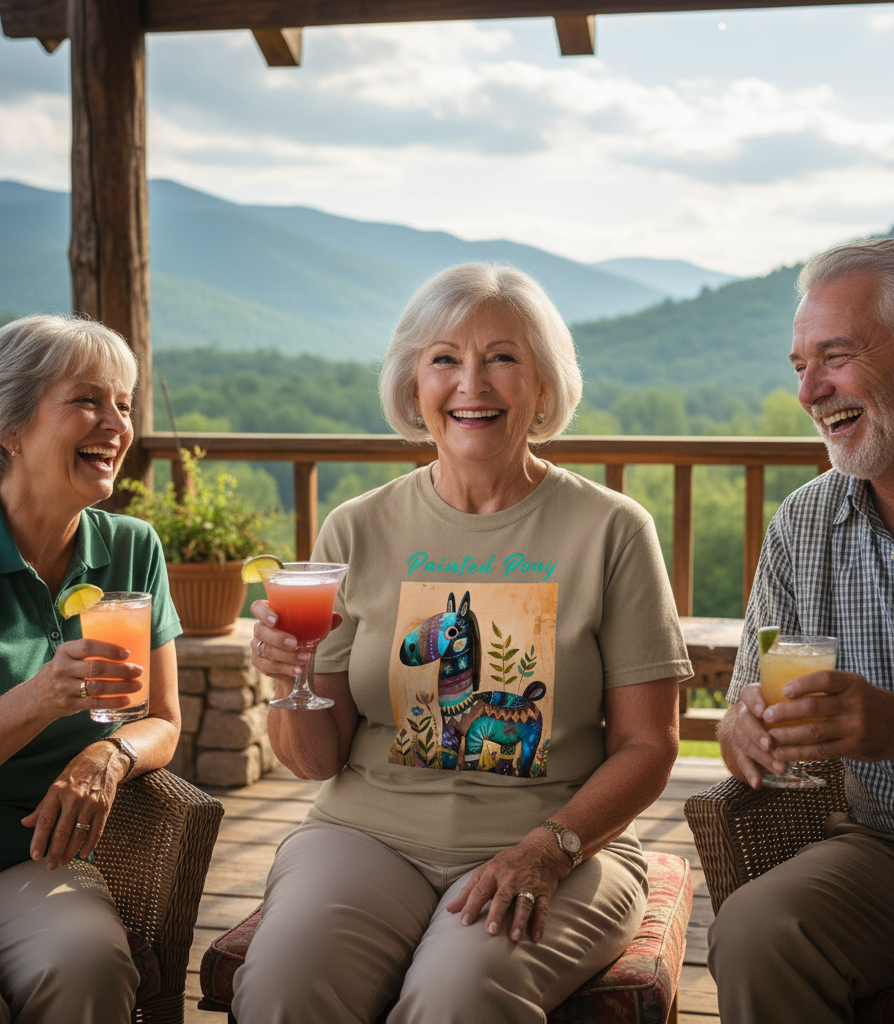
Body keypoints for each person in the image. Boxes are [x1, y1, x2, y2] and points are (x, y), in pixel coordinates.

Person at [237, 262, 692, 1023]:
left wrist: (548, 849)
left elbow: (652, 746)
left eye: (502, 358)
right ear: (414, 384)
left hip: (559, 841)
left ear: (544, 386)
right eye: (444, 358)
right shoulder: (356, 527)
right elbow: (315, 760)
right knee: (285, 986)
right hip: (366, 835)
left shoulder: (612, 529)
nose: (471, 384)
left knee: (460, 998)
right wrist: (292, 677)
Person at [709, 238, 894, 1023]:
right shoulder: (806, 523)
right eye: (799, 365)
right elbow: (746, 712)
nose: (809, 391)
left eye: (834, 356)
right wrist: (749, 732)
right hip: (887, 851)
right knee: (752, 933)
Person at [0, 315, 182, 1024]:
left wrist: (112, 751)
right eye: (89, 400)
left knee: (89, 965)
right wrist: (40, 698)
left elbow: (163, 720)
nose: (116, 424)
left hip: (34, 862)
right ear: (11, 426)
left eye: (123, 404)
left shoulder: (131, 546)